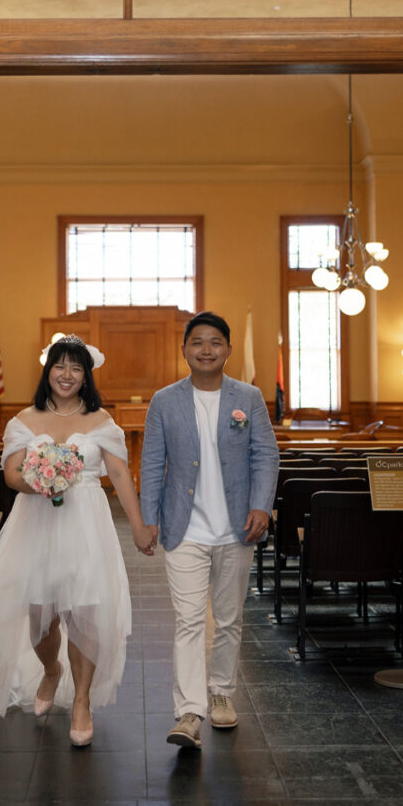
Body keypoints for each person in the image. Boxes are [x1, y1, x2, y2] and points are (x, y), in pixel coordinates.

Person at [0, 334, 156, 746]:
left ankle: (82, 701)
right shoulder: (23, 420)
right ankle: (52, 671)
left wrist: (140, 525)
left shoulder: (102, 422)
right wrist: (39, 482)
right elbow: (11, 475)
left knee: (85, 614)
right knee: (40, 617)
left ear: (86, 375)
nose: (67, 374)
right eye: (60, 366)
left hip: (86, 522)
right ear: (48, 371)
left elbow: (122, 476)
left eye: (76, 367)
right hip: (36, 522)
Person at [140, 311, 279, 748]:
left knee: (230, 620)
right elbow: (151, 463)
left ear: (228, 350)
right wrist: (148, 519)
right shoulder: (164, 400)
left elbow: (265, 456)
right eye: (197, 342)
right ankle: (188, 711)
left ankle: (221, 694)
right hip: (185, 529)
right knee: (188, 620)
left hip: (238, 528)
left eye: (215, 342)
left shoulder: (249, 396)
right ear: (184, 349)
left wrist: (262, 506)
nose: (206, 349)